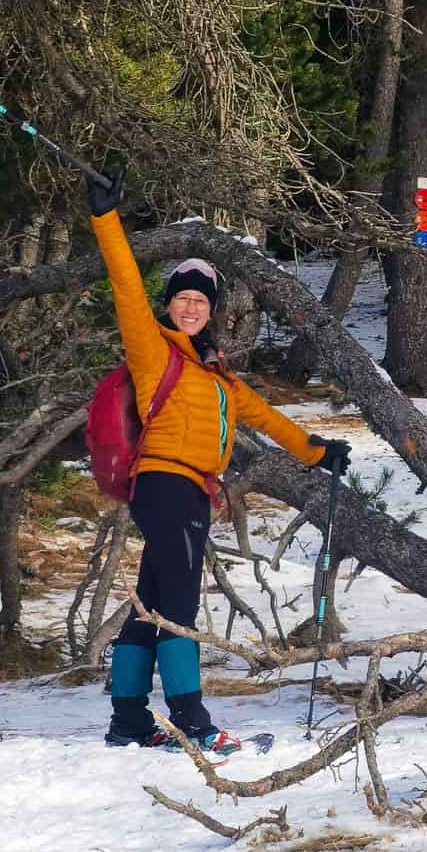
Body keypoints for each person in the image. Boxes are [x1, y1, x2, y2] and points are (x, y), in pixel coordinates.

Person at [86, 173, 351, 752]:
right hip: (164, 484)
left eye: (200, 301)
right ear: (170, 305)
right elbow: (127, 288)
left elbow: (264, 416)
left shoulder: (218, 376)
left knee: (151, 605)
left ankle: (128, 720)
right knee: (178, 601)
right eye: (181, 298)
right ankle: (193, 721)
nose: (189, 307)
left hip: (188, 492)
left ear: (212, 313)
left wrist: (315, 451)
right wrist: (108, 222)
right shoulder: (154, 352)